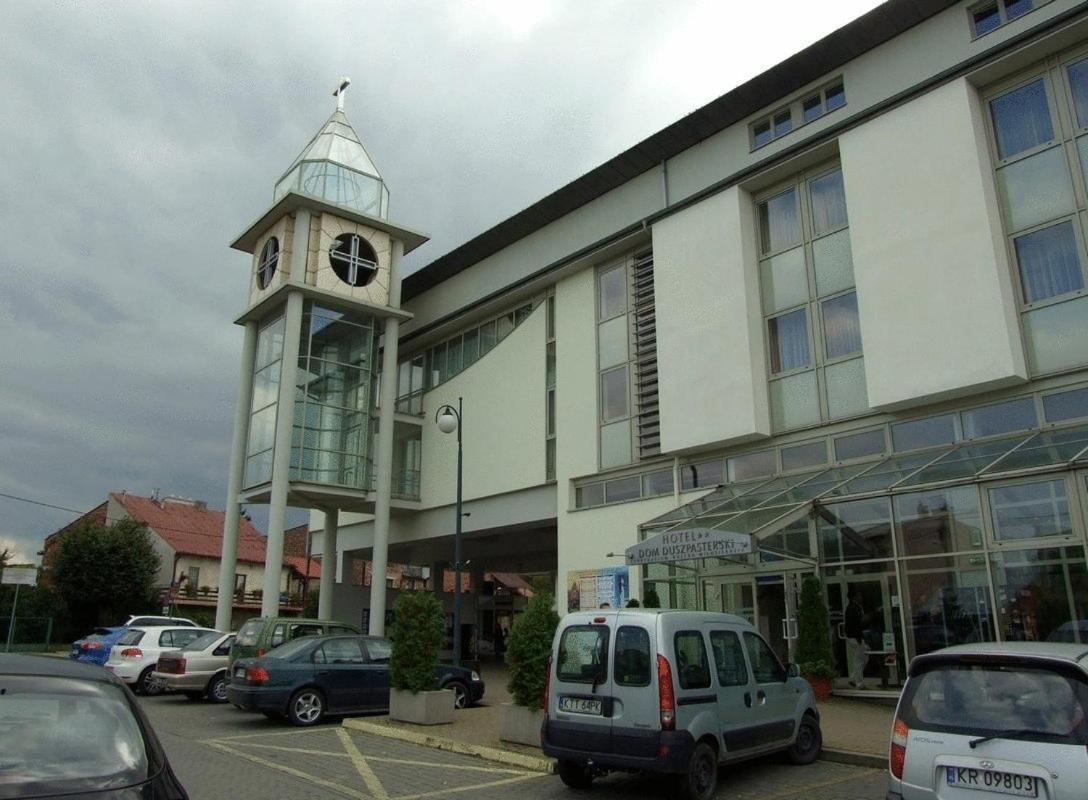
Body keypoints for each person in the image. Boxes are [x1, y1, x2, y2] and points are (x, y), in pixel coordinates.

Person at [844, 588, 867, 689]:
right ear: (854, 597)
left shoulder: (856, 607)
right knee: (859, 659)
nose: (861, 597)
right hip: (855, 637)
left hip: (856, 637)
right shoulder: (852, 609)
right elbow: (854, 624)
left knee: (864, 656)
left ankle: (853, 678)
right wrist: (858, 637)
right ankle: (859, 683)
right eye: (859, 595)